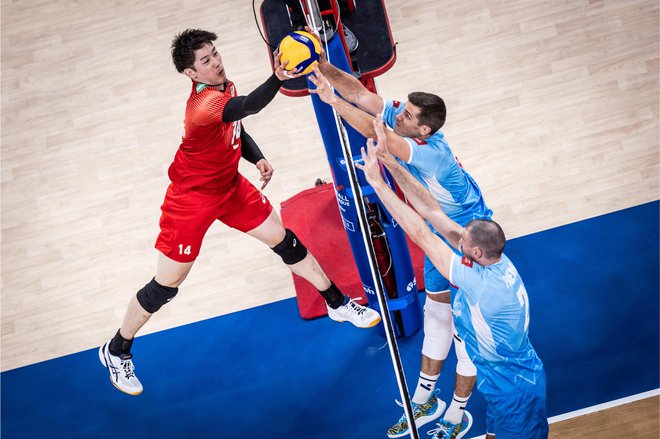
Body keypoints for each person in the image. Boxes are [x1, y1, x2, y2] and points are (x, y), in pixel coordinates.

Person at [98, 29, 380, 396]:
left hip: (229, 187)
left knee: (286, 243)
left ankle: (337, 303)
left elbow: (237, 126)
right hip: (191, 200)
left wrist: (257, 156)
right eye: (206, 61)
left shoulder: (223, 86)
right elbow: (247, 107)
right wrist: (278, 77)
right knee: (165, 287)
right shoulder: (202, 106)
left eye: (215, 54)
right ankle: (116, 349)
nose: (216, 62)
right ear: (190, 74)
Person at [308, 58, 492, 437]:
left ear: (422, 128)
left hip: (466, 241)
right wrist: (320, 64)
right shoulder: (412, 126)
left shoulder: (430, 153)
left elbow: (381, 138)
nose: (398, 114)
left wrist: (333, 103)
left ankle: (456, 417)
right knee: (435, 318)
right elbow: (362, 94)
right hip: (442, 232)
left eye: (406, 115)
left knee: (465, 335)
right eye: (402, 110)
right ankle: (425, 402)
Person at [357, 117, 548, 439]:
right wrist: (388, 161)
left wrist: (377, 186)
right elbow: (434, 214)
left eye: (462, 241)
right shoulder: (496, 260)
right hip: (511, 381)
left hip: (513, 393)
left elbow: (420, 232)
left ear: (475, 252)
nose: (456, 240)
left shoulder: (479, 284)